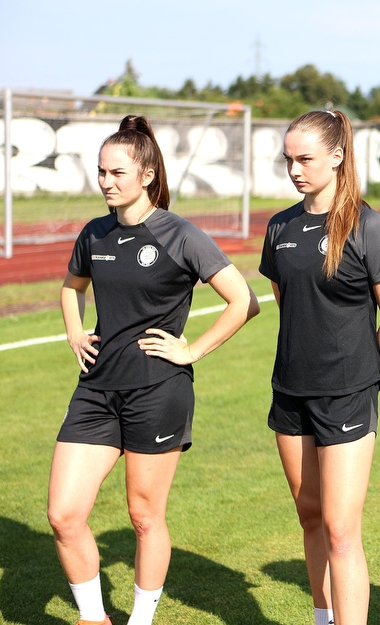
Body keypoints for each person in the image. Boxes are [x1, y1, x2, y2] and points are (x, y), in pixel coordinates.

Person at [48, 115, 260, 625]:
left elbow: (244, 301)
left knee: (144, 518)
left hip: (156, 391)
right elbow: (71, 287)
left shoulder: (179, 234)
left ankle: (140, 621)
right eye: (101, 172)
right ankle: (94, 617)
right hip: (96, 391)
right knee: (63, 514)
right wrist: (76, 332)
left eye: (117, 172)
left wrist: (192, 351)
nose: (106, 182)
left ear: (146, 175)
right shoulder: (94, 232)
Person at [259, 109, 380, 625]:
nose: (295, 169)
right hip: (290, 392)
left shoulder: (366, 225)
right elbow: (288, 302)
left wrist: (360, 374)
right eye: (289, 160)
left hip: (347, 395)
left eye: (305, 158)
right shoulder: (280, 226)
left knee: (343, 530)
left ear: (337, 157)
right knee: (311, 517)